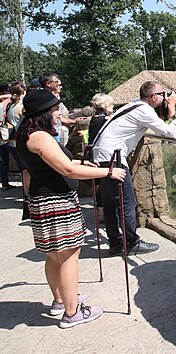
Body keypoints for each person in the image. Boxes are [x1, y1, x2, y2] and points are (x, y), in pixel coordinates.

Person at [16, 89, 125, 328]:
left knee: (55, 255)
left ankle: (60, 301)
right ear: (43, 113)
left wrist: (82, 162)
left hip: (44, 199)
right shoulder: (41, 137)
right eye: (55, 110)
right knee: (68, 255)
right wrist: (107, 172)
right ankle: (72, 312)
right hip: (56, 202)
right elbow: (68, 171)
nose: (59, 115)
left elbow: (61, 164)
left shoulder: (28, 134)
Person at [92, 81, 176, 256]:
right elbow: (169, 133)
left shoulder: (134, 104)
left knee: (110, 204)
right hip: (113, 157)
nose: (165, 97)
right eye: (163, 94)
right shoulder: (144, 110)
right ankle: (132, 243)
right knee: (127, 203)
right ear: (154, 97)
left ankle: (116, 243)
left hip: (102, 156)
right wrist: (173, 111)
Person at [0, 82, 27, 191]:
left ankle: (5, 184)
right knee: (24, 167)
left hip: (7, 137)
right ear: (22, 92)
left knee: (4, 162)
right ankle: (26, 191)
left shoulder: (10, 106)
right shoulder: (20, 108)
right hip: (18, 139)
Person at [39, 72, 75, 144]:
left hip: (55, 133)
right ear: (48, 84)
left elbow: (59, 118)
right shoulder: (45, 100)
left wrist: (74, 121)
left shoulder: (51, 97)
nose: (58, 83)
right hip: (51, 135)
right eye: (56, 81)